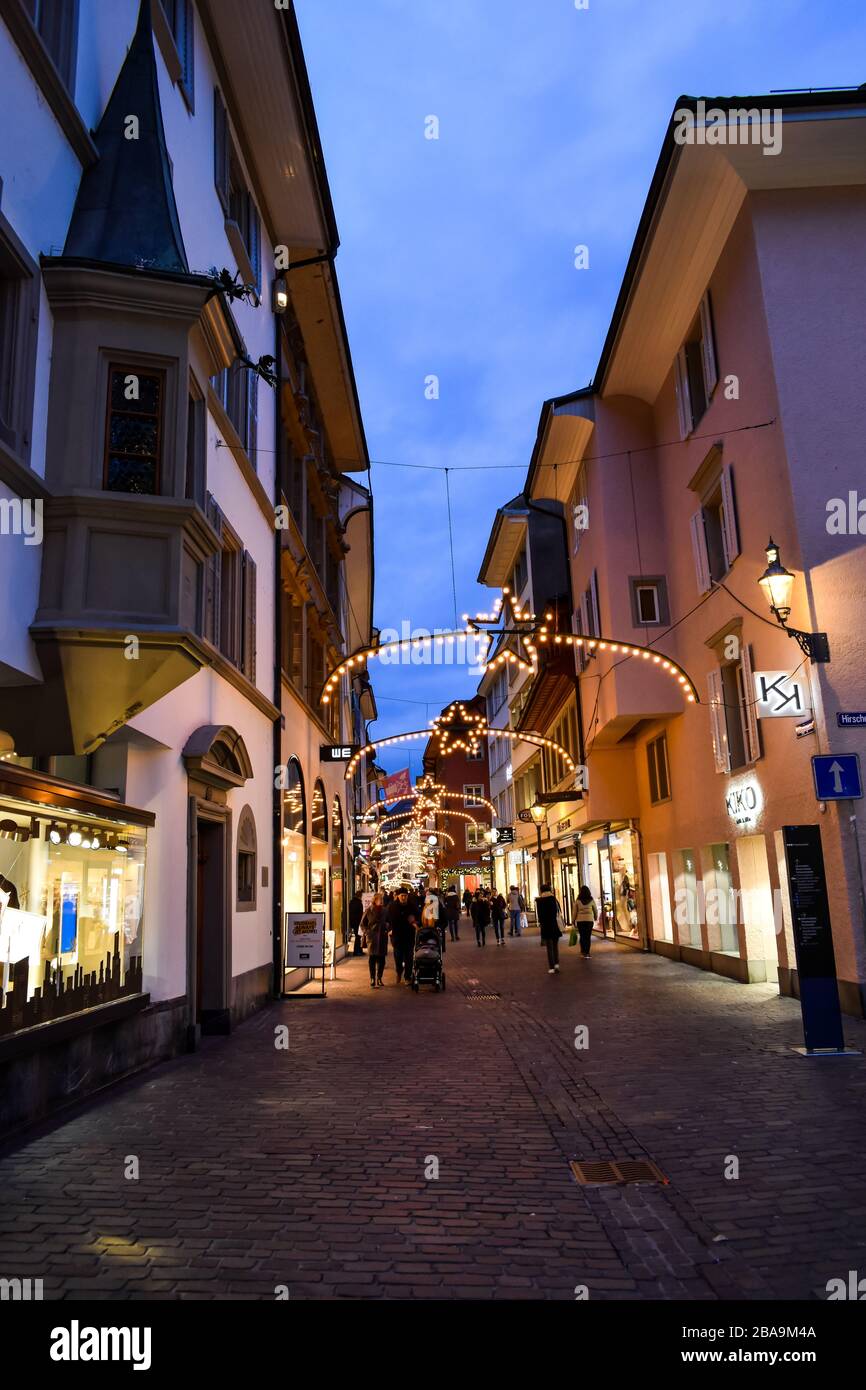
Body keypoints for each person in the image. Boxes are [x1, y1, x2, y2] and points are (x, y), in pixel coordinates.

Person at [386, 888, 417, 984]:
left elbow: (418, 916)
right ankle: (399, 972)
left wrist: (415, 921)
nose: (404, 897)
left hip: (409, 936)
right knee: (398, 957)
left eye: (405, 896)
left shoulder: (412, 906)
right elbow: (387, 920)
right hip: (397, 936)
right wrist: (389, 929)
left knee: (409, 957)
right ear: (398, 896)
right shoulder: (392, 906)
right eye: (402, 896)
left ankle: (408, 976)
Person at [361, 893, 389, 987]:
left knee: (382, 959)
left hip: (382, 937)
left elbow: (389, 921)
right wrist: (367, 932)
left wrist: (388, 929)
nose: (380, 901)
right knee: (372, 959)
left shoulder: (385, 911)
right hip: (372, 937)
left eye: (381, 899)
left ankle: (379, 978)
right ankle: (372, 978)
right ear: (374, 900)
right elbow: (362, 924)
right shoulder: (369, 910)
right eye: (379, 899)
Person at [535, 882, 564, 974]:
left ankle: (551, 967)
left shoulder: (539, 901)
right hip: (554, 925)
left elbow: (540, 916)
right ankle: (556, 964)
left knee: (549, 947)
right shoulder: (553, 899)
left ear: (541, 891)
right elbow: (557, 912)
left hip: (546, 926)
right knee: (555, 946)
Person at [574, 884, 598, 958]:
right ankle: (587, 953)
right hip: (589, 921)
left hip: (580, 921)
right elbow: (595, 910)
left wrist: (573, 920)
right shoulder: (591, 900)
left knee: (582, 936)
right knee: (588, 936)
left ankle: (583, 952)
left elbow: (574, 911)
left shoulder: (578, 901)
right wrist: (595, 917)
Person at [349, 891, 365, 955]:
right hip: (358, 922)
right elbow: (360, 914)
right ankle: (356, 951)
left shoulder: (352, 902)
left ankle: (359, 950)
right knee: (358, 937)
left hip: (354, 922)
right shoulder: (358, 903)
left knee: (358, 936)